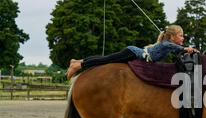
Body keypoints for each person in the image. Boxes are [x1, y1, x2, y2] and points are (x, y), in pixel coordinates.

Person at [65, 24, 198, 79]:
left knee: (107, 58)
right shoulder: (167, 44)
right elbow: (177, 48)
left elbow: (177, 52)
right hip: (132, 53)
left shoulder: (167, 44)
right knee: (106, 60)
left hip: (134, 53)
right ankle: (78, 65)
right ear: (172, 37)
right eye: (181, 35)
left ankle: (78, 61)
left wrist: (187, 51)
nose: (183, 38)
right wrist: (186, 48)